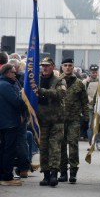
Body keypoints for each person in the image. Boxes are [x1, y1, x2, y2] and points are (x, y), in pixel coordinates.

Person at [58, 58, 88, 183]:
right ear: (62, 67)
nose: (68, 67)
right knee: (61, 146)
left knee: (73, 145)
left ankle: (73, 171)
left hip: (74, 119)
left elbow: (84, 102)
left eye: (70, 65)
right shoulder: (57, 81)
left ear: (73, 67)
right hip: (59, 119)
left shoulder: (79, 83)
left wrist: (86, 118)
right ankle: (63, 172)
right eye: (65, 65)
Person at [37, 57, 66, 187]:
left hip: (56, 120)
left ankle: (54, 174)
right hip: (42, 120)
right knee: (43, 148)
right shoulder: (35, 80)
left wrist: (44, 92)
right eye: (43, 65)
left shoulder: (59, 80)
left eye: (47, 65)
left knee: (54, 147)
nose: (45, 68)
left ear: (53, 66)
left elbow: (61, 93)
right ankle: (46, 174)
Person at [0, 64, 26, 186]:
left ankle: (4, 175)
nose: (15, 75)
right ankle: (6, 176)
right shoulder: (5, 85)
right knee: (8, 150)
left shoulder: (6, 84)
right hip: (8, 123)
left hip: (6, 122)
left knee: (4, 149)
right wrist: (26, 98)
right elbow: (16, 101)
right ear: (7, 73)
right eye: (13, 73)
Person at [84, 64, 100, 150]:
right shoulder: (85, 82)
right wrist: (90, 100)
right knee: (91, 125)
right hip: (90, 107)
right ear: (90, 72)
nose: (94, 74)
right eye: (92, 72)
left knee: (98, 125)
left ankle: (98, 142)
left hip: (99, 107)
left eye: (95, 72)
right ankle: (92, 143)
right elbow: (83, 94)